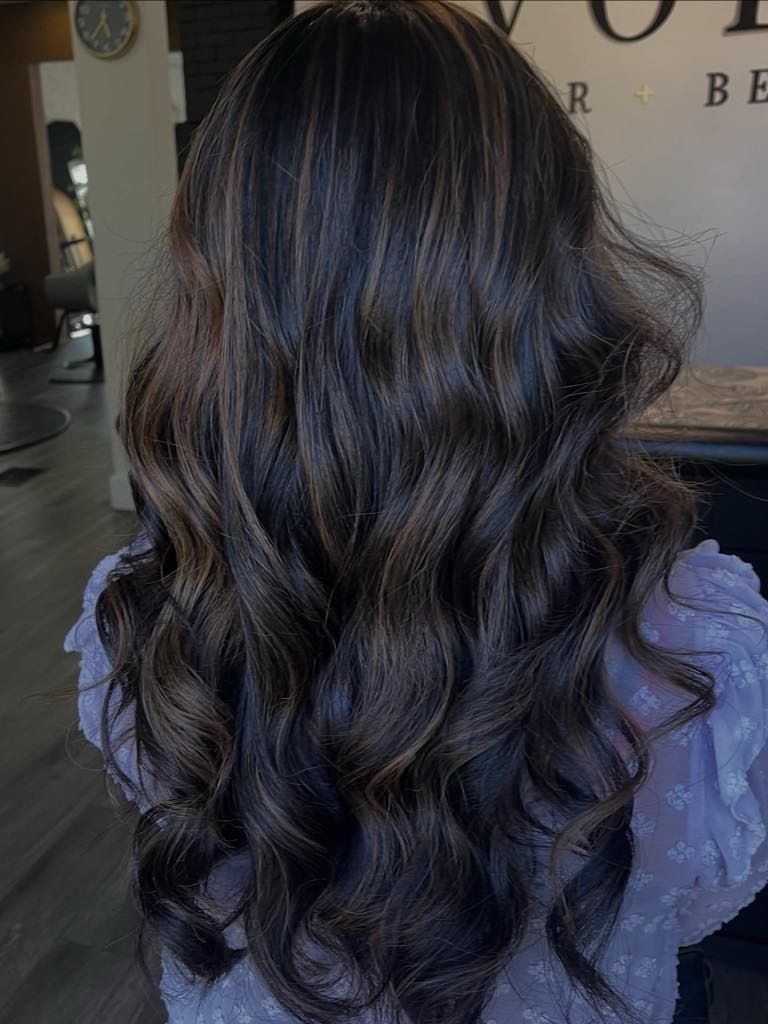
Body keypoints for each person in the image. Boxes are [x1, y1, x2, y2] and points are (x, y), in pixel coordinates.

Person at [65, 2, 768, 1022]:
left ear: (216, 288)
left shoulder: (144, 622)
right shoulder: (699, 652)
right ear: (554, 272)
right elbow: (690, 904)